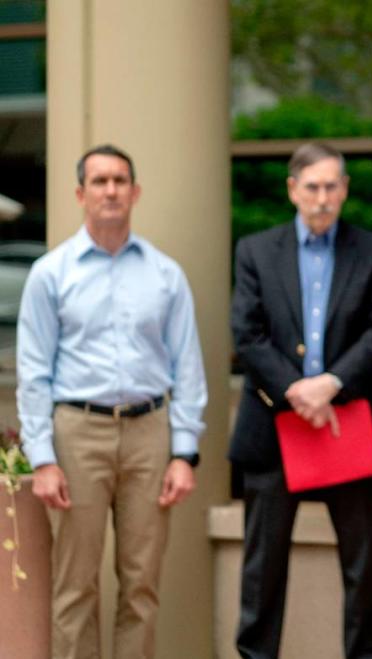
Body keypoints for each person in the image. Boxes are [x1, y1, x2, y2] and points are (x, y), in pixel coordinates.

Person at [16, 144, 207, 659]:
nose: (111, 190)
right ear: (81, 194)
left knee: (141, 584)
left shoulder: (166, 275)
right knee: (75, 585)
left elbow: (187, 367)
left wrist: (184, 454)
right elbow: (33, 372)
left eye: (120, 181)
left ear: (135, 192)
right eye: (99, 182)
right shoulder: (50, 274)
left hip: (150, 432)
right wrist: (44, 458)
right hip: (78, 433)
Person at [230, 142, 372, 659]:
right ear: (292, 190)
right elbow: (246, 331)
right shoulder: (256, 251)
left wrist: (330, 383)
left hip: (347, 421)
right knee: (262, 567)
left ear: (345, 190)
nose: (322, 197)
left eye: (332, 187)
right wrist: (295, 388)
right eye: (312, 187)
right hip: (272, 427)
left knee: (362, 563)